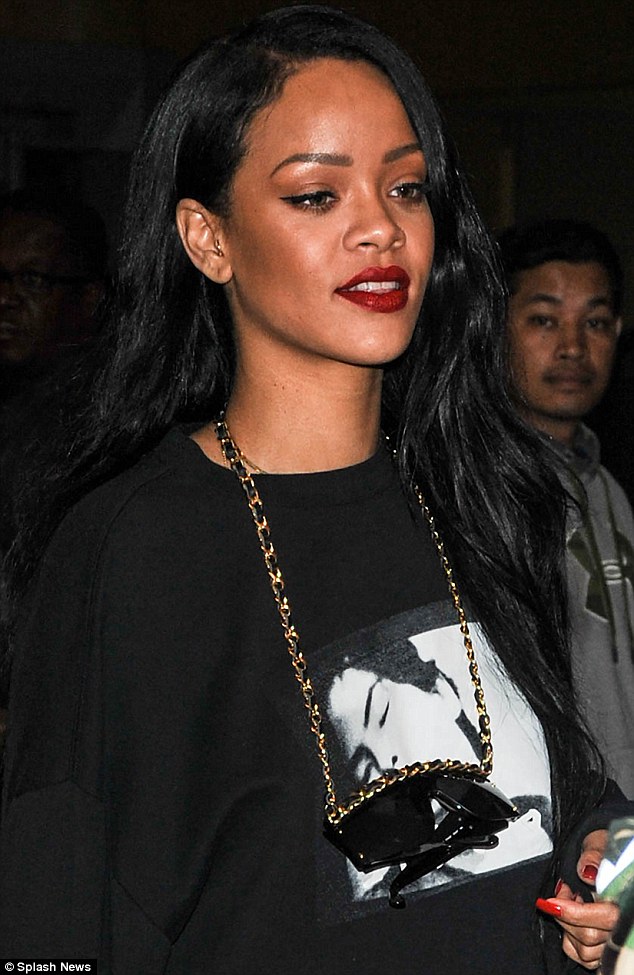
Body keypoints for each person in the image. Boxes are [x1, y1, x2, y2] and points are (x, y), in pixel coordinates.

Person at [0, 7, 627, 972]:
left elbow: (570, 794)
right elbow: (53, 917)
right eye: (317, 195)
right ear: (208, 239)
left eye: (405, 187)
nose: (380, 227)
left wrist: (604, 868)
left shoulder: (482, 490)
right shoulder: (133, 545)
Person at [499, 219, 634, 797]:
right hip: (554, 818)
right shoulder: (482, 491)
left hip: (620, 817)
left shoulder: (608, 490)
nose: (574, 347)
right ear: (492, 327)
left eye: (595, 323)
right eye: (544, 320)